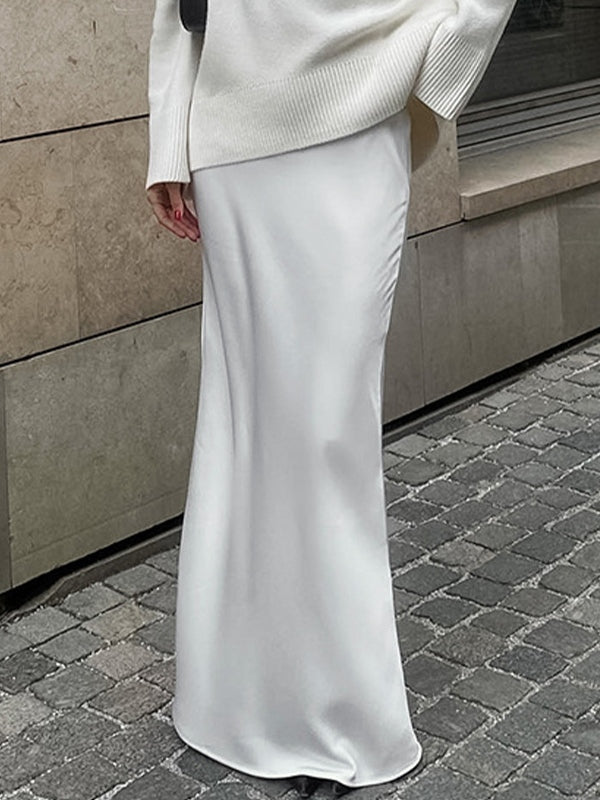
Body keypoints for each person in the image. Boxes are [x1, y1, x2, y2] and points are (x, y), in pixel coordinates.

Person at [145, 1, 517, 796]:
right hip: (231, 136)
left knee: (325, 430)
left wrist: (441, 54)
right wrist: (169, 135)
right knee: (245, 422)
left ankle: (341, 718)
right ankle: (230, 702)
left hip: (356, 106)